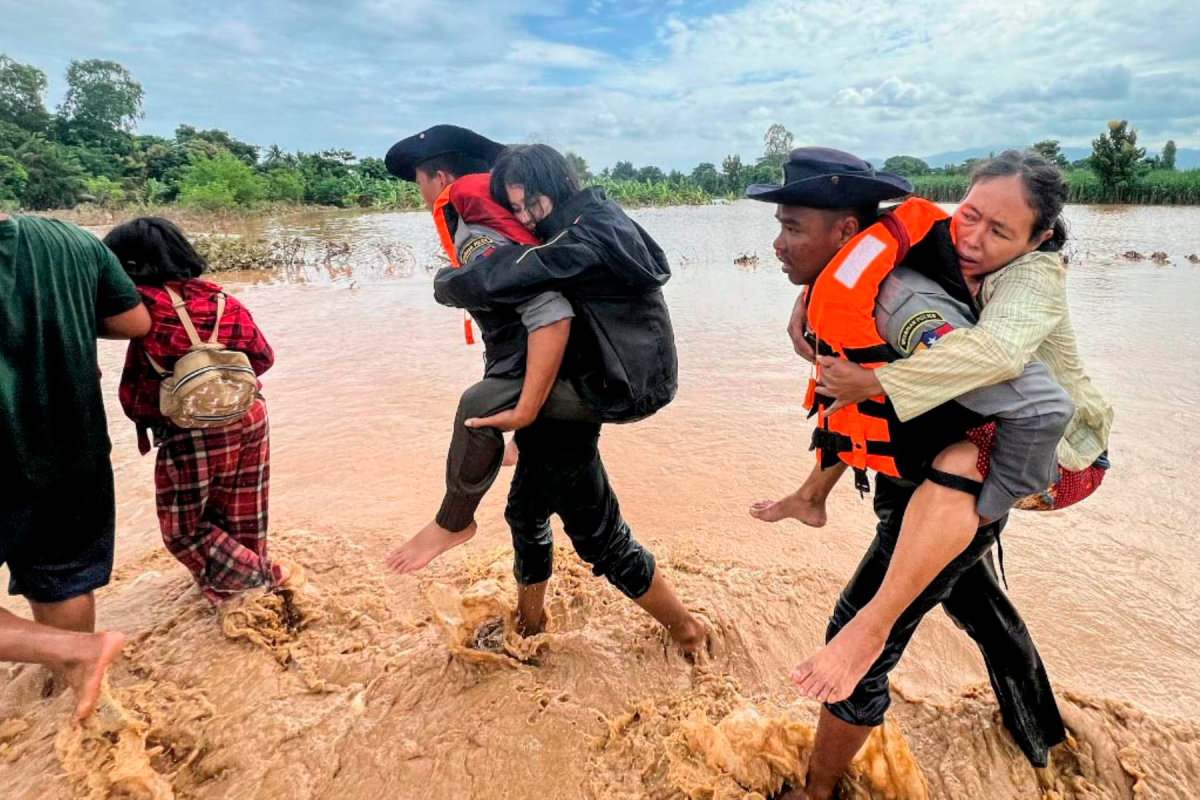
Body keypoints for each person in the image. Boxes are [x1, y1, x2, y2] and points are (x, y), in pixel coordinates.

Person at [740, 149, 1069, 799]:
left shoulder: (901, 299)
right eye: (778, 227)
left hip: (951, 490)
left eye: (792, 228)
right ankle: (1043, 739)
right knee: (984, 611)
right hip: (911, 480)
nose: (777, 244)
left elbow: (1022, 393)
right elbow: (852, 408)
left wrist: (996, 497)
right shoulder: (847, 278)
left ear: (844, 232)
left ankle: (818, 792)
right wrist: (813, 491)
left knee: (858, 636)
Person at [778, 152, 1113, 710]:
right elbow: (857, 243)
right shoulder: (941, 244)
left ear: (1038, 239)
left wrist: (876, 381)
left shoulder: (1033, 277)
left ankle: (863, 651)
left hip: (1061, 456)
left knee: (942, 500)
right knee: (973, 597)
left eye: (1000, 230)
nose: (973, 238)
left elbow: (997, 353)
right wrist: (809, 293)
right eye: (971, 214)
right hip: (992, 427)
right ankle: (1039, 729)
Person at [426, 143, 705, 654]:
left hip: (612, 385)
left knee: (597, 534)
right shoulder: (593, 219)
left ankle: (688, 630)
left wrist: (449, 281)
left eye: (528, 204)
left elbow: (520, 270)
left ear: (552, 188)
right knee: (526, 510)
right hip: (601, 375)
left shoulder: (583, 236)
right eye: (512, 209)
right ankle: (530, 628)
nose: (522, 218)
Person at [382, 125, 582, 574]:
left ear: (439, 177)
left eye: (419, 182)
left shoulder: (474, 229)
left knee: (475, 409)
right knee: (530, 514)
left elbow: (548, 309)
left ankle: (454, 521)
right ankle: (530, 623)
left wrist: (525, 407)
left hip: (561, 364)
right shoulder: (489, 214)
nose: (419, 193)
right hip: (541, 358)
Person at [1, 211, 147, 720]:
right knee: (61, 575)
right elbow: (135, 322)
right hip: (70, 445)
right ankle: (78, 707)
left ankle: (77, 654)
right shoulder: (68, 239)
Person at [103, 218, 284, 605]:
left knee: (183, 530)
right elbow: (263, 359)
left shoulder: (143, 306)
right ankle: (244, 596)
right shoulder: (222, 300)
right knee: (243, 517)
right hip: (250, 414)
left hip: (191, 430)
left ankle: (267, 581)